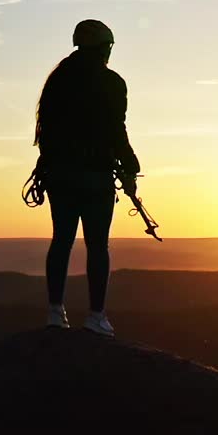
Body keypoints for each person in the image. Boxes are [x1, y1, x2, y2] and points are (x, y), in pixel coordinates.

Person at [33, 19, 140, 337]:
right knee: (97, 245)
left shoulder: (58, 82)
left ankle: (55, 311)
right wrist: (130, 164)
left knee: (61, 241)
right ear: (104, 48)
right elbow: (115, 129)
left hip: (60, 174)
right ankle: (96, 315)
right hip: (95, 175)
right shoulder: (112, 83)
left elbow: (47, 132)